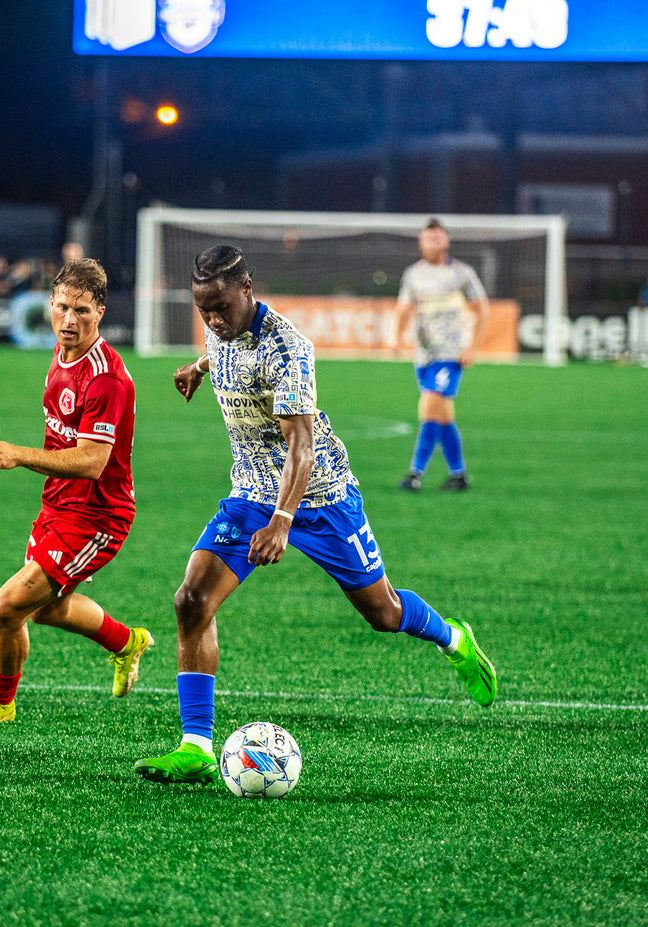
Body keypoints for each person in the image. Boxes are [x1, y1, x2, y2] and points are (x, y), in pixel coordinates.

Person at [133, 245, 496, 785]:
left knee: (383, 613)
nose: (212, 319)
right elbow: (225, 350)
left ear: (247, 290)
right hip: (252, 491)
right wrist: (199, 365)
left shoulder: (288, 348)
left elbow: (301, 447)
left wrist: (282, 520)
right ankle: (196, 746)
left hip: (320, 496)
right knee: (191, 600)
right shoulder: (219, 326)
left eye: (221, 308)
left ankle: (454, 639)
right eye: (202, 308)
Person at [0, 257, 153, 724]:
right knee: (43, 611)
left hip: (96, 517)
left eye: (82, 311)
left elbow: (91, 461)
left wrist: (19, 454)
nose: (69, 320)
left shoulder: (106, 378)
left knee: (7, 608)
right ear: (49, 304)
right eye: (62, 307)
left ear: (101, 311)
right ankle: (127, 641)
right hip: (58, 505)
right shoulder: (62, 352)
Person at [394, 218, 490, 493]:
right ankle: (458, 475)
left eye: (438, 238)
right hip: (423, 355)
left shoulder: (461, 273)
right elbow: (404, 308)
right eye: (428, 238)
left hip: (451, 354)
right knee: (443, 416)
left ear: (446, 241)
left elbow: (482, 309)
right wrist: (397, 336)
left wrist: (473, 347)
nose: (433, 243)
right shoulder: (413, 274)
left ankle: (415, 473)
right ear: (420, 242)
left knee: (429, 408)